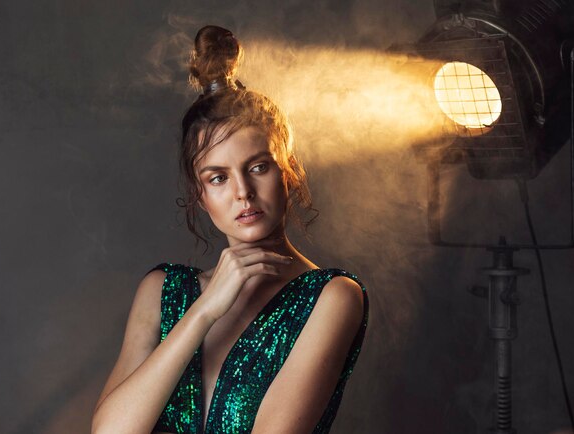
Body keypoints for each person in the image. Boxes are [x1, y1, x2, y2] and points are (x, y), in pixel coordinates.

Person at [92, 25, 369, 434]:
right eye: (218, 178)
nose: (243, 192)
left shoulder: (332, 296)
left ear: (288, 173)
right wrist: (204, 311)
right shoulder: (163, 289)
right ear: (201, 196)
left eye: (258, 167)